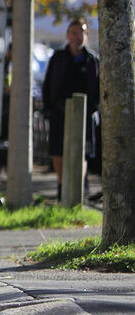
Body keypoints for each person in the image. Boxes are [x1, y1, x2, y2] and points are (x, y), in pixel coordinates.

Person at [41, 18, 100, 199]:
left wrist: (93, 109)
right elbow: (48, 83)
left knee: (82, 151)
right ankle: (61, 186)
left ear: (86, 36)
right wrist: (48, 108)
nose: (77, 36)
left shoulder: (92, 60)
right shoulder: (58, 58)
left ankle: (77, 188)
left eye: (81, 32)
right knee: (58, 150)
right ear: (68, 35)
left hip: (84, 113)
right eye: (74, 32)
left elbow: (98, 88)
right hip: (60, 111)